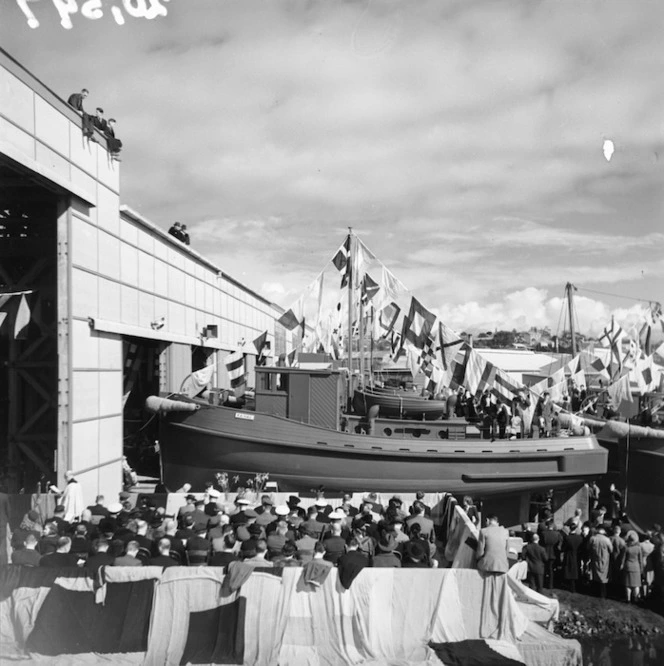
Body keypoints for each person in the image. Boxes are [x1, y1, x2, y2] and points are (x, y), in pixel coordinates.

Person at [588, 526, 613, 599]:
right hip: (605, 560)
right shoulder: (607, 540)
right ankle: (603, 594)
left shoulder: (592, 538)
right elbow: (611, 550)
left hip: (595, 558)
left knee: (595, 575)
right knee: (603, 577)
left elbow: (588, 547)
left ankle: (595, 592)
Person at [621, 531, 644, 603]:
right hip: (636, 567)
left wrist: (622, 565)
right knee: (636, 584)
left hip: (628, 566)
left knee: (628, 584)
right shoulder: (638, 548)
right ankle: (636, 598)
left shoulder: (626, 547)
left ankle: (628, 599)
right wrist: (641, 569)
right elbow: (640, 560)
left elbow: (623, 558)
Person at [561, 524, 583, 593]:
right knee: (577, 569)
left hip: (569, 555)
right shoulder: (580, 538)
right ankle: (577, 585)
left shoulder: (567, 538)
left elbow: (563, 548)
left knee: (570, 569)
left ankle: (571, 585)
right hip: (577, 555)